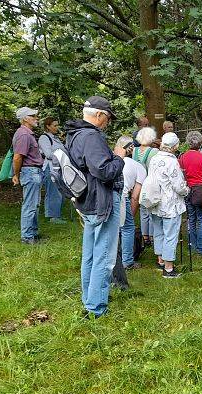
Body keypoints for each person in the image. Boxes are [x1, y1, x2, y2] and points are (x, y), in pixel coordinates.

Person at [65, 96, 125, 319]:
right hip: (101, 202)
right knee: (104, 256)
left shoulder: (75, 134)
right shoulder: (91, 136)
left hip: (88, 200)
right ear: (99, 114)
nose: (107, 122)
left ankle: (89, 298)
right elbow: (105, 171)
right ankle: (96, 307)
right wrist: (119, 158)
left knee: (90, 253)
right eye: (107, 117)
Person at [148, 132, 189, 278]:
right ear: (174, 146)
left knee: (158, 232)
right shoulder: (172, 162)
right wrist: (186, 190)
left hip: (155, 201)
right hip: (170, 204)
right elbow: (178, 186)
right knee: (170, 234)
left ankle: (160, 260)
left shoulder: (154, 158)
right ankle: (169, 268)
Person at [179, 131, 202, 256]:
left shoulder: (182, 157)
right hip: (201, 191)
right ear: (200, 144)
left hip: (188, 190)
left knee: (191, 219)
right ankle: (201, 249)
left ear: (188, 143)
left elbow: (181, 175)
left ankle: (192, 246)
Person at [12, 107, 44, 244]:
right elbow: (17, 157)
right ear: (25, 118)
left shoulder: (27, 133)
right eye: (33, 116)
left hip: (33, 172)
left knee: (34, 205)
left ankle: (33, 234)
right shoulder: (24, 135)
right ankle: (27, 237)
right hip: (30, 172)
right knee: (30, 206)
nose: (36, 118)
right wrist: (16, 175)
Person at [115, 136, 146, 271]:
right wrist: (131, 216)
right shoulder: (138, 167)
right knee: (128, 227)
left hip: (107, 195)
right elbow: (135, 197)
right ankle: (127, 261)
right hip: (122, 196)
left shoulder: (110, 160)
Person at [38, 116, 66, 224]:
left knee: (60, 191)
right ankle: (53, 217)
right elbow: (48, 154)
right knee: (53, 191)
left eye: (57, 125)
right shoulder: (44, 138)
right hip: (50, 168)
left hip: (59, 168)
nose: (57, 127)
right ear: (48, 126)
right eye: (55, 125)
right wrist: (61, 155)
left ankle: (57, 214)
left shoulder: (56, 138)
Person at [134, 127, 159, 245]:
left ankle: (145, 237)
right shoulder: (154, 152)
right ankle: (153, 236)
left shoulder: (134, 151)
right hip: (150, 184)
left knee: (143, 211)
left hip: (137, 185)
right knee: (152, 210)